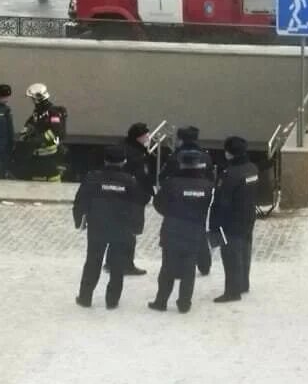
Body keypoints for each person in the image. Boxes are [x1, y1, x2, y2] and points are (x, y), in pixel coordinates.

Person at [73, 147, 146, 309]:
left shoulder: (93, 178)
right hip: (121, 228)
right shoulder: (130, 181)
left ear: (105, 160)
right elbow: (137, 206)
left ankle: (85, 297)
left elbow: (80, 201)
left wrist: (79, 220)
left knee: (92, 261)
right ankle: (112, 300)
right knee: (117, 264)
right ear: (123, 162)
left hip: (97, 226)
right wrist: (137, 227)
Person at [149, 148, 215, 313]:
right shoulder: (207, 186)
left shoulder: (171, 183)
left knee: (167, 268)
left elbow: (158, 203)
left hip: (172, 229)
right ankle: (184, 302)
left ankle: (161, 301)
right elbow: (206, 206)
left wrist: (171, 213)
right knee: (189, 269)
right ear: (198, 165)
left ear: (181, 164)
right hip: (194, 230)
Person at [211, 136, 259, 303]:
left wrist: (215, 223)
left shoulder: (230, 174)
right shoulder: (252, 168)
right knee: (245, 251)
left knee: (231, 255)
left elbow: (223, 200)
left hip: (231, 220)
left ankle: (232, 291)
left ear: (230, 153)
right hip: (248, 216)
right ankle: (243, 283)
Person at [122, 122, 157, 276]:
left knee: (121, 231)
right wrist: (149, 191)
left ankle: (113, 262)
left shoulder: (131, 149)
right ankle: (126, 264)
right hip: (133, 198)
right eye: (145, 135)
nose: (148, 137)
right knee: (130, 232)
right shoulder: (136, 154)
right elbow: (142, 176)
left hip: (128, 197)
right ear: (138, 137)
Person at [20, 83, 67, 181]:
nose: (32, 101)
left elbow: (56, 131)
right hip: (38, 155)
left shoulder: (53, 113)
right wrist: (25, 133)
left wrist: (40, 139)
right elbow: (29, 124)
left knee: (53, 180)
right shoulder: (38, 112)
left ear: (37, 98)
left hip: (50, 156)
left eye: (32, 98)